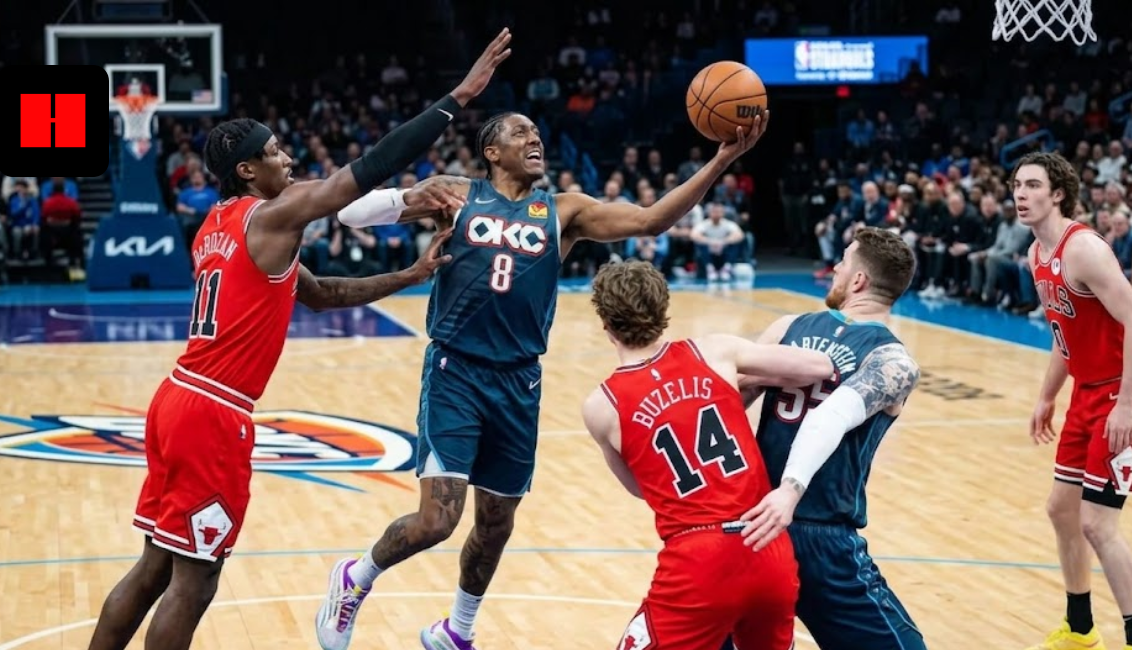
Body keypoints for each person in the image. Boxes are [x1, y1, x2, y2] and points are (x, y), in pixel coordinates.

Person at [84, 28, 514, 650]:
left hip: (176, 398)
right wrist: (459, 98)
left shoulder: (217, 225)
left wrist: (410, 275)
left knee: (154, 566)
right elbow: (368, 170)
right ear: (247, 170)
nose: (287, 160)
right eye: (275, 152)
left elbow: (320, 293)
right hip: (213, 412)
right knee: (195, 582)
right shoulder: (272, 215)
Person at [316, 108, 770, 650]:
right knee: (438, 520)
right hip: (456, 372)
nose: (535, 138)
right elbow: (351, 216)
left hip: (519, 382)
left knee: (496, 523)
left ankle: (457, 630)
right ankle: (355, 577)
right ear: (491, 151)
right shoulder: (457, 193)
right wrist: (407, 198)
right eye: (521, 132)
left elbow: (650, 221)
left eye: (537, 132)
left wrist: (721, 160)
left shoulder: (564, 211)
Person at [580, 260, 834, 650]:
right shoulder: (713, 351)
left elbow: (642, 488)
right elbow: (819, 366)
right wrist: (748, 383)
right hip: (767, 544)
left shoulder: (602, 406)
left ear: (606, 324)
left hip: (698, 560)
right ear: (664, 310)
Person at [730, 227, 926, 650]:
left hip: (752, 523)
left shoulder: (789, 327)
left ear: (859, 280)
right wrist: (790, 491)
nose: (835, 267)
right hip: (820, 537)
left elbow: (725, 405)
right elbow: (828, 418)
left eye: (843, 260)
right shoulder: (894, 361)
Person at [1015, 152, 1132, 650]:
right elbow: (1064, 335)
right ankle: (1081, 629)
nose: (1021, 194)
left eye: (1032, 185)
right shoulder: (1036, 255)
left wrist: (1127, 405)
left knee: (1097, 524)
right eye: (1016, 184)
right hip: (1086, 393)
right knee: (1062, 510)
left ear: (1057, 194)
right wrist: (1047, 395)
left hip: (1119, 392)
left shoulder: (1083, 248)